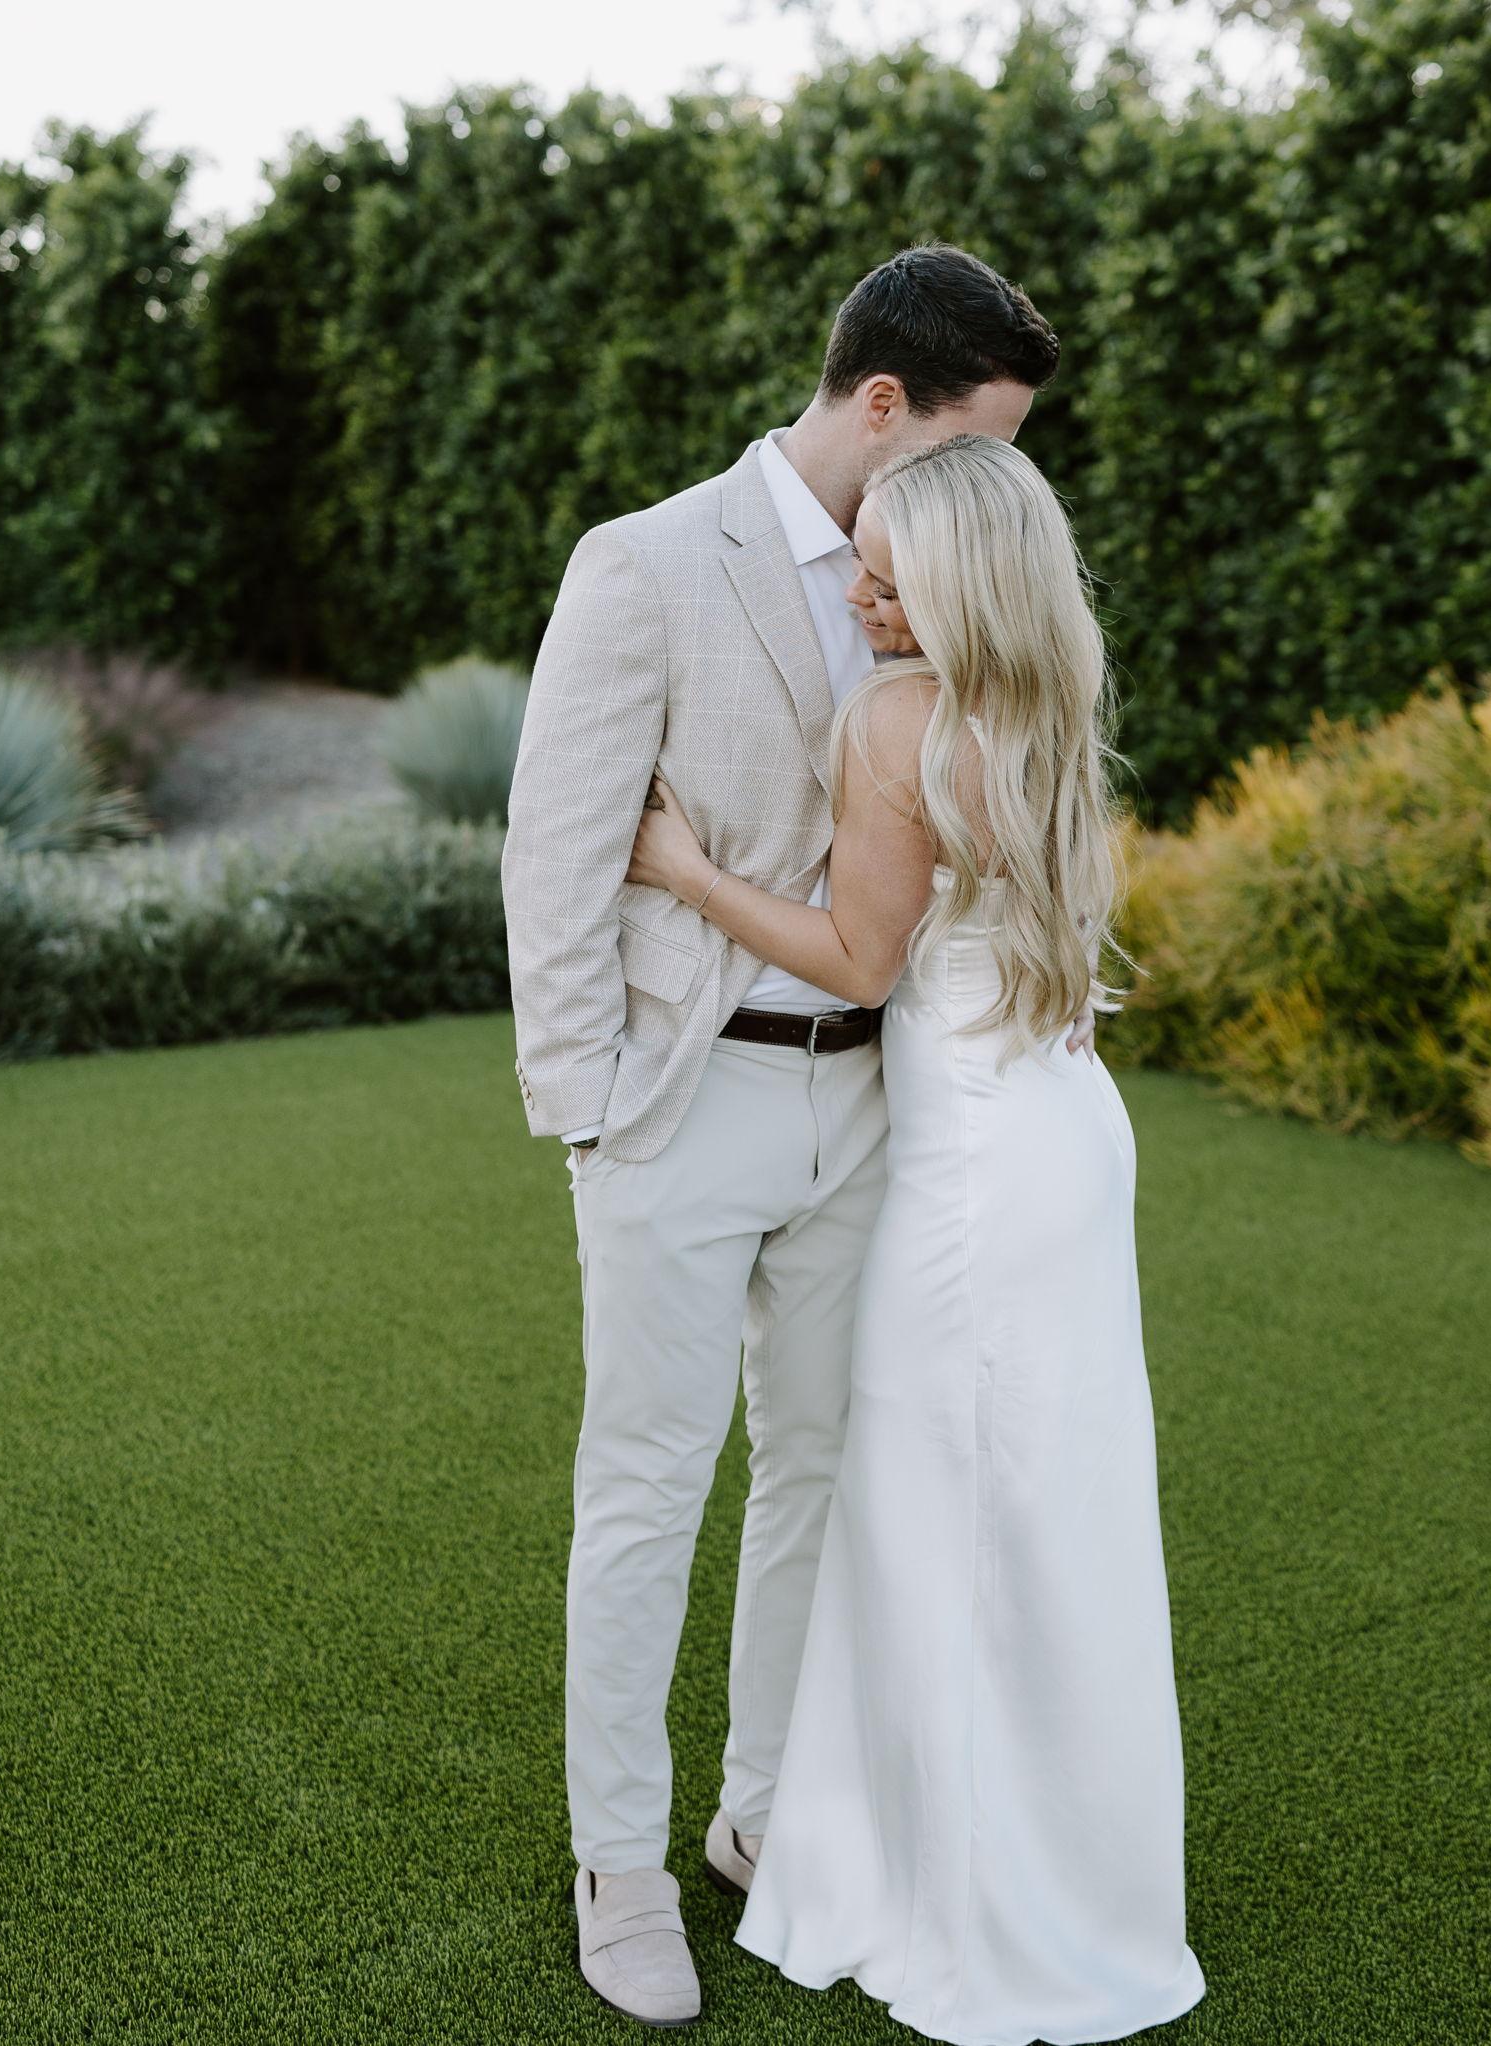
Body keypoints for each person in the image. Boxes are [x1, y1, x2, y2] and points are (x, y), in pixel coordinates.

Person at [500, 244, 1067, 2027]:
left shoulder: (939, 591)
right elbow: (554, 853)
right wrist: (589, 1112)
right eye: (972, 443)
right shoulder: (646, 562)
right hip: (682, 1102)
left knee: (818, 1467)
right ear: (884, 405)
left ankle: (761, 1815)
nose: (991, 487)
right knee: (648, 1487)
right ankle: (619, 1863)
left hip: (874, 1100)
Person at [625, 434, 1205, 2044]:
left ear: (960, 589)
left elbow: (858, 960)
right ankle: (1070, 1874)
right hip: (1068, 1138)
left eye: (887, 581)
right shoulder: (1047, 712)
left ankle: (952, 1891)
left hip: (968, 1180)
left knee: (932, 1512)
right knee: (1054, 1516)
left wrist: (687, 871)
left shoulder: (897, 721)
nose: (862, 600)